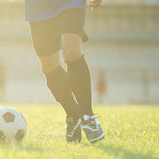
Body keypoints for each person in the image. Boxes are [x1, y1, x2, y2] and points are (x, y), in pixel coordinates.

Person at [26, 0, 105, 143]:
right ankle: (73, 115)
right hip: (38, 6)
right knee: (49, 66)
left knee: (72, 51)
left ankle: (88, 117)